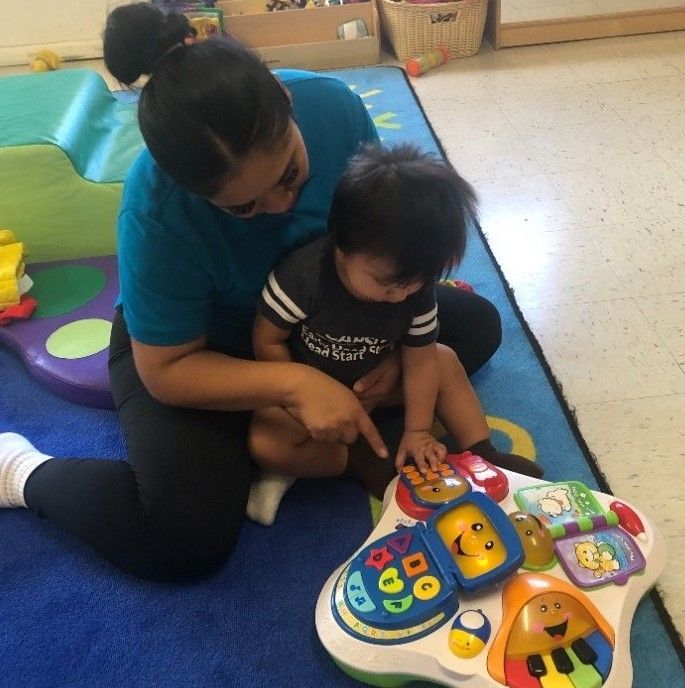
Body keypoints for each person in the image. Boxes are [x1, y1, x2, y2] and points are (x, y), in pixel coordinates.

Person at [0, 3, 505, 582]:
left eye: (292, 174)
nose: (281, 206)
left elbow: (391, 235)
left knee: (473, 328)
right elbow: (165, 368)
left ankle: (275, 444)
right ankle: (22, 471)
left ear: (285, 104)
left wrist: (392, 363)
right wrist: (294, 383)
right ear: (190, 189)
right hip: (206, 350)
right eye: (243, 207)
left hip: (329, 317)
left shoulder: (331, 106)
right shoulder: (154, 207)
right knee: (179, 538)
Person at [246, 144, 543, 525]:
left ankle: (481, 454)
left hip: (378, 386)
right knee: (265, 441)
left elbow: (420, 358)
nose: (401, 295)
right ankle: (357, 461)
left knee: (443, 358)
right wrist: (300, 395)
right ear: (342, 246)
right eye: (387, 284)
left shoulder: (413, 285)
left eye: (416, 282)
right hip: (314, 397)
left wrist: (418, 430)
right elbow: (266, 340)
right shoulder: (302, 279)